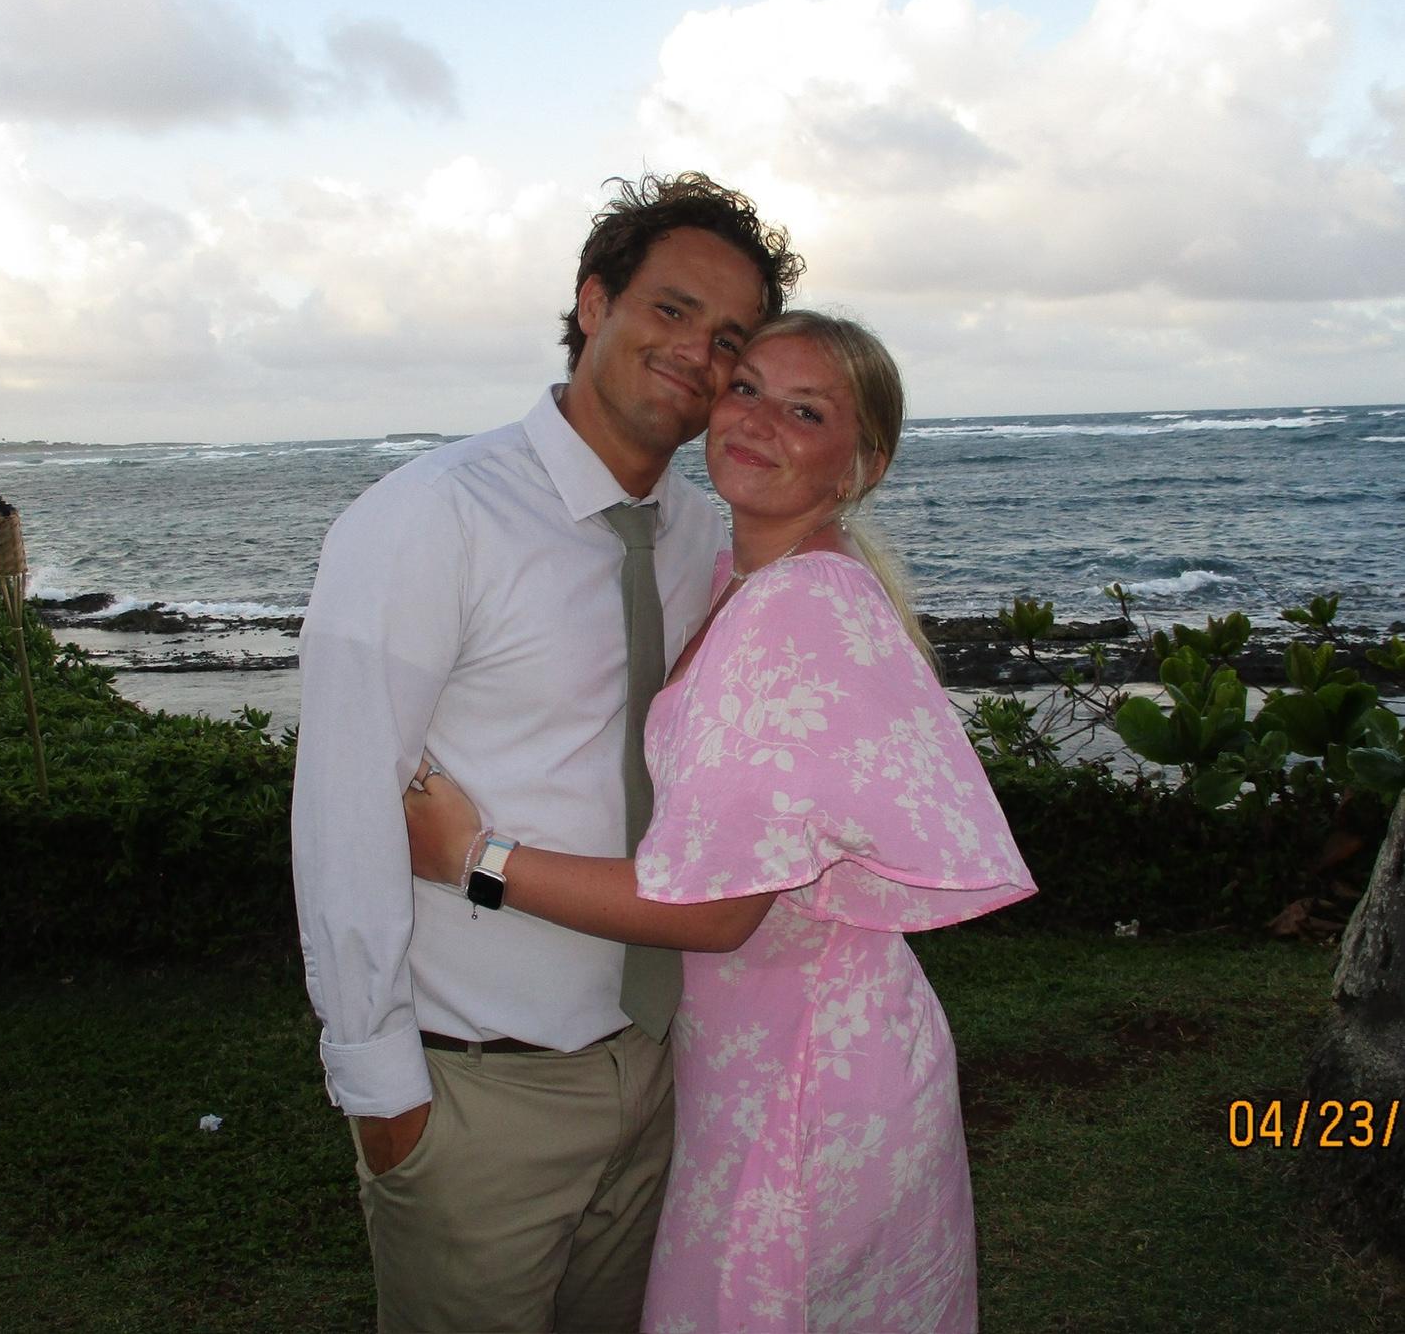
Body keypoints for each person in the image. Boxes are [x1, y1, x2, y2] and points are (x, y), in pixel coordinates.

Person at [405, 312, 1037, 1333]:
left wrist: (474, 858)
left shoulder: (797, 609)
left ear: (861, 465)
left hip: (802, 1086)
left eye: (806, 411)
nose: (759, 422)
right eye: (746, 389)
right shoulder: (746, 578)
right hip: (778, 1063)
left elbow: (717, 910)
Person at [291, 171, 803, 1334]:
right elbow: (342, 808)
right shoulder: (432, 517)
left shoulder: (698, 537)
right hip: (478, 1091)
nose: (698, 353)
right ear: (593, 303)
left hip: (656, 1070)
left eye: (731, 338)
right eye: (671, 309)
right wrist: (382, 1090)